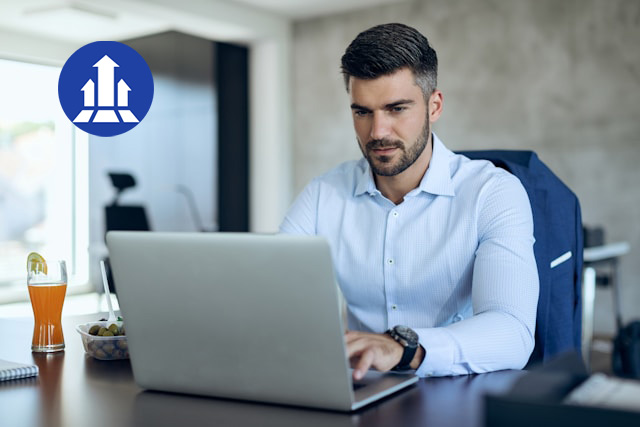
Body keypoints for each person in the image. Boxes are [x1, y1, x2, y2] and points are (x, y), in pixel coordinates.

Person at [279, 23, 539, 378]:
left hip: (459, 389)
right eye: (362, 112)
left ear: (434, 106)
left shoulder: (492, 192)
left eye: (396, 109)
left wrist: (405, 349)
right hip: (362, 385)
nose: (378, 132)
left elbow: (513, 331)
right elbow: (272, 298)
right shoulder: (324, 194)